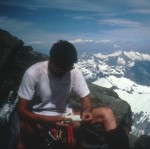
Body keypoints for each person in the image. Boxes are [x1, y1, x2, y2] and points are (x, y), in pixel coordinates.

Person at [16, 40, 91, 149]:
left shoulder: (73, 71)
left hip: (64, 115)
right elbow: (21, 109)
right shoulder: (33, 73)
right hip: (38, 116)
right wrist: (49, 120)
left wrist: (86, 110)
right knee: (20, 128)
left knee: (88, 120)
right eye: (61, 68)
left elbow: (85, 98)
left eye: (68, 68)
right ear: (51, 60)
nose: (65, 72)